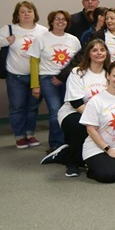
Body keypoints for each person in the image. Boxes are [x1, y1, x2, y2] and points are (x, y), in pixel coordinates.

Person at [40, 39, 110, 177]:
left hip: (100, 114)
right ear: (88, 53)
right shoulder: (77, 72)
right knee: (81, 125)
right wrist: (95, 119)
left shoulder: (109, 73)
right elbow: (76, 102)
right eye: (94, 50)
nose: (99, 53)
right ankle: (71, 162)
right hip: (73, 111)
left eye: (102, 50)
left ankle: (68, 153)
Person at [0, 1, 48, 149]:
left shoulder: (43, 31)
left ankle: (30, 134)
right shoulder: (9, 29)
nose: (26, 14)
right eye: (22, 12)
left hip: (37, 77)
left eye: (29, 11)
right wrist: (5, 41)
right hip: (16, 76)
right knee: (17, 107)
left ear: (35, 14)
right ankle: (20, 136)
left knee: (32, 107)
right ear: (17, 15)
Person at [28, 10, 80, 153]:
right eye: (57, 19)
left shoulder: (73, 40)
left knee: (69, 110)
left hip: (68, 79)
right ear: (51, 21)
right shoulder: (41, 39)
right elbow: (34, 62)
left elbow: (78, 61)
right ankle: (56, 144)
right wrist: (35, 85)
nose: (60, 21)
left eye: (64, 19)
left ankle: (69, 142)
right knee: (55, 110)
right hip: (47, 78)